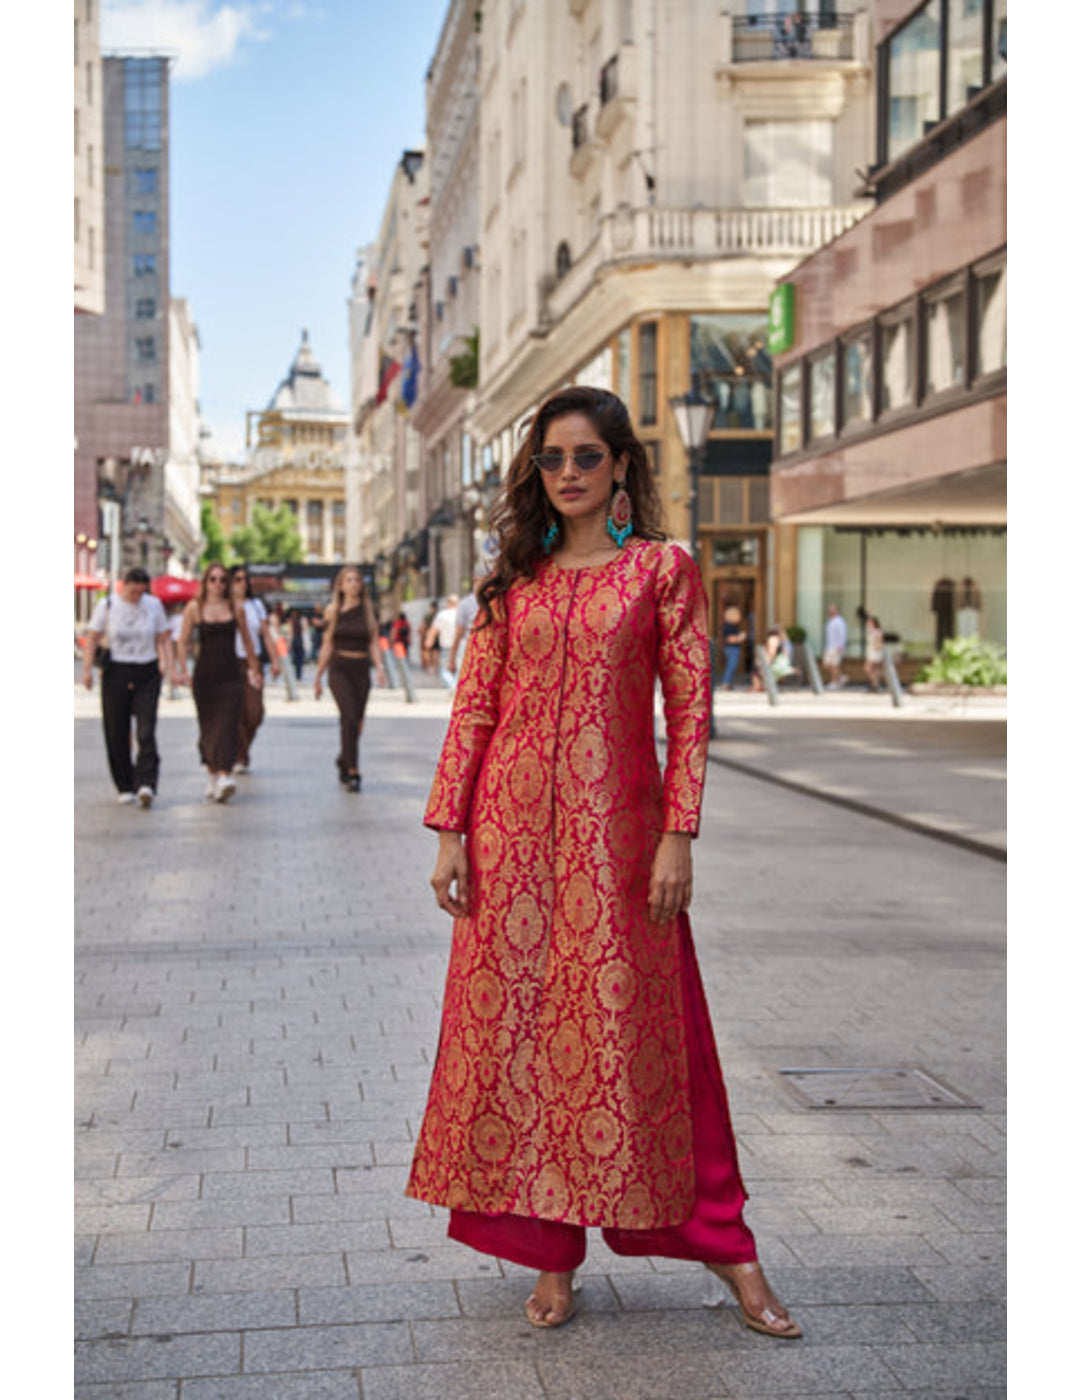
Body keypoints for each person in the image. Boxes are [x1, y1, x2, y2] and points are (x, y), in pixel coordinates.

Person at [408, 385, 800, 1339]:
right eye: (553, 458)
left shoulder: (661, 571)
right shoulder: (513, 581)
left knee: (642, 1037)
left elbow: (691, 711)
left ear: (621, 464)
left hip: (617, 844)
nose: (569, 472)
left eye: (587, 455)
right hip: (510, 842)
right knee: (522, 1040)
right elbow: (475, 707)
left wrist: (678, 833)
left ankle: (728, 1246)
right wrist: (451, 831)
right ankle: (550, 1256)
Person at [82, 568, 173, 807]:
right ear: (125, 586)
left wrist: (169, 667)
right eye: (133, 592)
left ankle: (146, 783)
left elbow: (164, 638)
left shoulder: (153, 605)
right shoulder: (108, 605)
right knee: (117, 730)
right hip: (116, 670)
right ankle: (124, 784)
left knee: (146, 729)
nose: (137, 597)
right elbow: (92, 637)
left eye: (141, 593)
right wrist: (87, 670)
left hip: (147, 669)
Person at [174, 563, 261, 802]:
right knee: (208, 726)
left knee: (228, 724)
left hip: (230, 674)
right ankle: (212, 773)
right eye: (213, 579)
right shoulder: (195, 607)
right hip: (205, 675)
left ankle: (224, 775)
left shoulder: (236, 607)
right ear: (205, 582)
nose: (218, 584)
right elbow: (182, 641)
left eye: (223, 580)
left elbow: (248, 640)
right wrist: (183, 670)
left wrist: (254, 669)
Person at [313, 565, 387, 792]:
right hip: (339, 669)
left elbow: (374, 642)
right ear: (341, 586)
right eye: (349, 580)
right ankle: (353, 770)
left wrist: (380, 667)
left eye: (357, 580)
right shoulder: (332, 610)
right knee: (348, 717)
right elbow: (327, 644)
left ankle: (343, 758)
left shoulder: (369, 611)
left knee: (358, 723)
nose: (354, 584)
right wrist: (318, 676)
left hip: (361, 670)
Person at [229, 564, 281, 773]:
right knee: (235, 711)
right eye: (237, 579)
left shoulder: (256, 605)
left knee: (255, 711)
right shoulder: (224, 605)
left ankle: (241, 750)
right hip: (229, 661)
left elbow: (265, 634)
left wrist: (275, 660)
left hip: (252, 662)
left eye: (245, 579)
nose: (242, 584)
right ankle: (240, 756)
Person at [447, 570, 485, 676]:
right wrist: (452, 660)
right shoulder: (465, 604)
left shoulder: (465, 603)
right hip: (473, 651)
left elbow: (459, 634)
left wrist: (452, 660)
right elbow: (458, 634)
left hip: (472, 651)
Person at [426, 594, 460, 689]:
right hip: (460, 646)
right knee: (459, 667)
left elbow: (434, 629)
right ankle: (455, 686)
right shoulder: (461, 614)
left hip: (446, 645)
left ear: (448, 603)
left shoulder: (442, 615)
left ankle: (452, 686)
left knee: (445, 669)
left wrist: (429, 640)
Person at [719, 605, 747, 690]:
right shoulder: (729, 626)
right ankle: (726, 683)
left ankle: (728, 683)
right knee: (731, 665)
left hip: (732, 648)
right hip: (732, 648)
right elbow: (730, 639)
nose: (740, 617)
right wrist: (740, 637)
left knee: (732, 665)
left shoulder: (731, 626)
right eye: (738, 615)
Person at [823, 603, 847, 688]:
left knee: (834, 665)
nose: (830, 612)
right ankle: (841, 677)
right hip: (829, 646)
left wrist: (841, 645)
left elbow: (842, 634)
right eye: (830, 610)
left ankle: (834, 682)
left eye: (832, 610)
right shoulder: (830, 621)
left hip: (836, 647)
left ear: (836, 611)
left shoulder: (839, 621)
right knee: (826, 664)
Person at [864, 615, 885, 692]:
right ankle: (875, 685)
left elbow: (880, 642)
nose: (868, 624)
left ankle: (875, 684)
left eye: (869, 622)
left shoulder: (877, 631)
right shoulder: (870, 631)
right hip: (871, 652)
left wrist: (878, 647)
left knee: (869, 668)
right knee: (874, 670)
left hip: (875, 652)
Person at [420, 599, 439, 673]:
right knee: (436, 652)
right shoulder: (439, 615)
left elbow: (423, 625)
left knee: (428, 651)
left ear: (431, 607)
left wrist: (422, 635)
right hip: (437, 636)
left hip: (429, 635)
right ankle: (435, 667)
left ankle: (429, 666)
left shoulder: (428, 615)